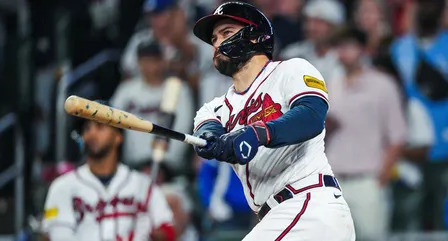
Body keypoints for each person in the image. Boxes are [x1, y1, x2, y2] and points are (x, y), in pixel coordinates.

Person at [191, 2, 355, 240]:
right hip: (278, 215)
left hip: (309, 203)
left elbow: (312, 116)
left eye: (226, 33)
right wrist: (213, 142)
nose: (217, 44)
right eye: (214, 39)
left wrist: (258, 133)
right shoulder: (214, 107)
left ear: (256, 37)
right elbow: (207, 131)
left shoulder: (290, 69)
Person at [41, 102, 176, 241]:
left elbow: (168, 229)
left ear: (118, 137)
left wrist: (152, 234)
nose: (91, 133)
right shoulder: (63, 186)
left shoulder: (143, 185)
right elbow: (55, 236)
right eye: (86, 128)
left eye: (100, 127)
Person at [326, 27, 407, 241]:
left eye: (348, 45)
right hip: (333, 183)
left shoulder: (383, 85)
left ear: (363, 49)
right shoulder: (329, 87)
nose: (342, 52)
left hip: (368, 181)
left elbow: (397, 136)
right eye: (339, 46)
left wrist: (381, 178)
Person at [391, 0, 448, 230]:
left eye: (434, 5)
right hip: (409, 147)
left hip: (444, 146)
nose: (428, 11)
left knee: (441, 214)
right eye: (423, 4)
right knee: (409, 215)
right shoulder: (400, 47)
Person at [111, 36, 194, 173]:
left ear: (162, 61)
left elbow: (182, 130)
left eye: (154, 59)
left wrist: (164, 166)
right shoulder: (126, 90)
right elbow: (112, 124)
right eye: (145, 59)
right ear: (138, 62)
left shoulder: (177, 89)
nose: (149, 64)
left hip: (170, 170)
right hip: (131, 168)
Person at [279, 0, 345, 83]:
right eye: (308, 21)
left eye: (318, 23)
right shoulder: (292, 54)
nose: (311, 27)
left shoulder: (346, 57)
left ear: (334, 27)